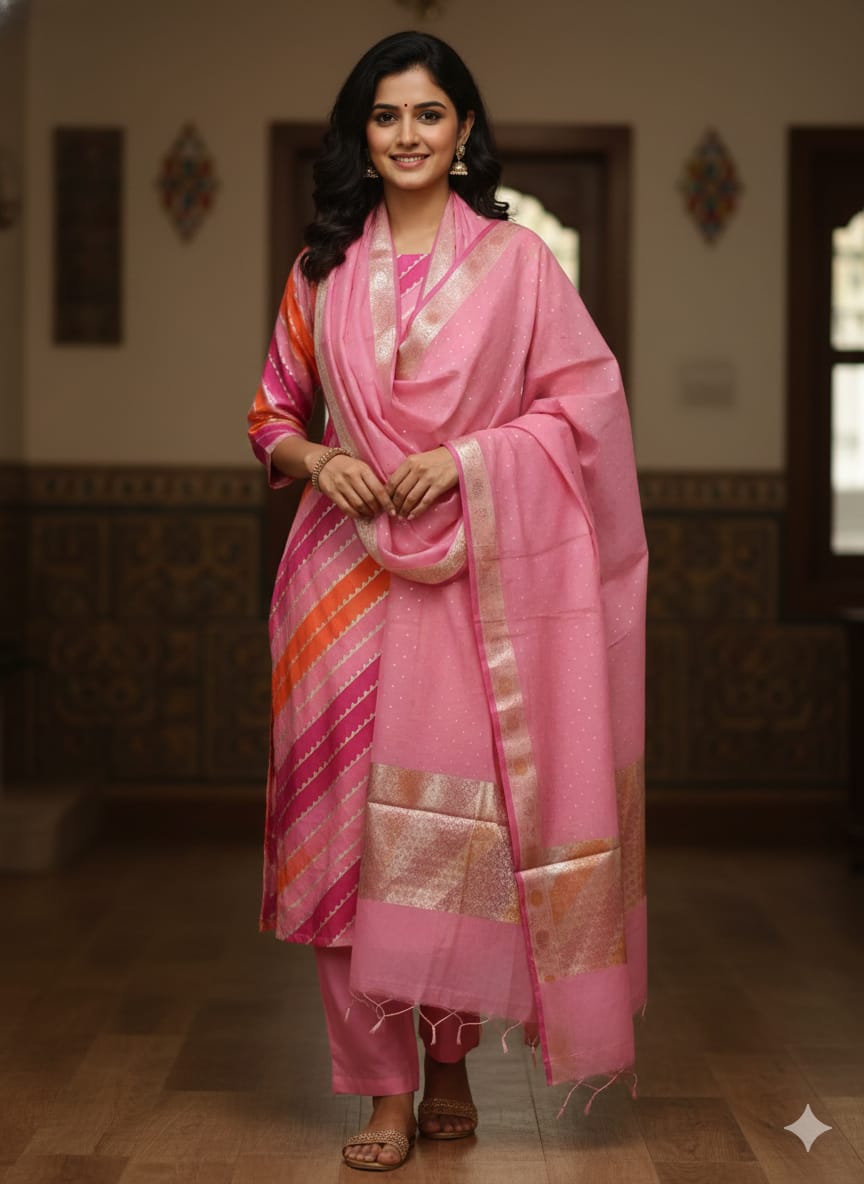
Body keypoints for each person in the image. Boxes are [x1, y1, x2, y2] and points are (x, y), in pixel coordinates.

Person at [248, 30, 648, 1173]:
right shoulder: (321, 266)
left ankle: (455, 1062)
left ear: (464, 131)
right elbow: (272, 413)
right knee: (338, 853)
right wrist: (320, 461)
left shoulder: (519, 265)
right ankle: (380, 1091)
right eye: (386, 116)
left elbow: (583, 413)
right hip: (336, 589)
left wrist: (471, 459)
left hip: (472, 582)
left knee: (444, 840)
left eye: (430, 114)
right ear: (360, 136)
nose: (409, 135)